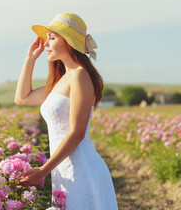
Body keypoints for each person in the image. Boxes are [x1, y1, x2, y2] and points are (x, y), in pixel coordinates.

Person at [15, 13, 118, 209]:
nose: (46, 43)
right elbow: (22, 98)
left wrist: (44, 170)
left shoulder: (80, 76)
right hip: (63, 168)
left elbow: (77, 133)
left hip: (82, 168)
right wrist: (30, 59)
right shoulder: (60, 81)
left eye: (52, 37)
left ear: (69, 42)